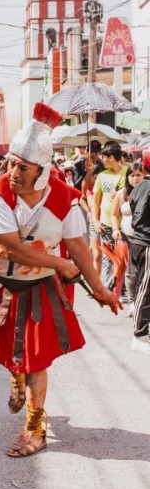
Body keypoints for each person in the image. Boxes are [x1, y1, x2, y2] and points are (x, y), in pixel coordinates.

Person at [0, 103, 120, 458]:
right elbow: (13, 248)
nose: (13, 172)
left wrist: (100, 289)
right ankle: (16, 375)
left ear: (43, 171)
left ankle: (35, 428)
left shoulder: (65, 200)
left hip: (40, 292)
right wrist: (59, 264)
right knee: (13, 353)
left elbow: (77, 246)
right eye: (11, 163)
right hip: (4, 286)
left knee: (36, 360)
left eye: (23, 167)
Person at [92, 142, 128, 289]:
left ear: (111, 157)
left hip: (125, 224)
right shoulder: (102, 176)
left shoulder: (129, 172)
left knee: (123, 258)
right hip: (105, 223)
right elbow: (95, 201)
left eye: (103, 157)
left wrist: (122, 193)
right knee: (107, 257)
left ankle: (121, 288)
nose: (101, 160)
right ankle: (106, 290)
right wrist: (95, 221)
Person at [111, 160, 144, 315]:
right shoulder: (122, 193)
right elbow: (113, 215)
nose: (135, 178)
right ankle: (132, 301)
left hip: (144, 239)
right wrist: (115, 229)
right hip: (127, 237)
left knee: (144, 271)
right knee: (131, 272)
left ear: (144, 175)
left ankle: (143, 301)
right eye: (132, 175)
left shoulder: (147, 191)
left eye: (138, 175)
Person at [127, 154, 150, 353]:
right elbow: (141, 215)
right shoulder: (145, 187)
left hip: (138, 241)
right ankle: (139, 334)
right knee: (145, 286)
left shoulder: (139, 187)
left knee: (144, 284)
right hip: (146, 242)